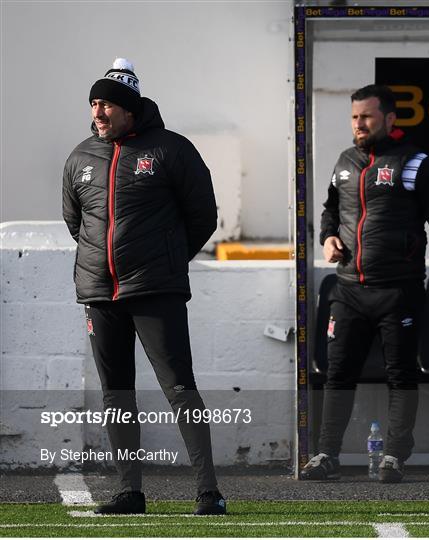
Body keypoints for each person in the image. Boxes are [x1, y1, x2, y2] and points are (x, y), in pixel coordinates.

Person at [62, 58, 226, 514]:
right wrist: (106, 266)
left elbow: (203, 217)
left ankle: (209, 492)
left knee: (180, 388)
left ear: (130, 110)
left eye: (107, 104)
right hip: (99, 293)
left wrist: (166, 260)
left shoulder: (172, 150)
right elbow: (77, 223)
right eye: (94, 104)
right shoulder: (80, 157)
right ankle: (129, 491)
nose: (98, 112)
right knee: (116, 393)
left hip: (157, 290)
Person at [301, 84, 429, 483]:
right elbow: (330, 210)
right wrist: (328, 238)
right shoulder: (343, 162)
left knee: (401, 376)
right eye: (355, 117)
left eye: (367, 116)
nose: (359, 124)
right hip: (348, 290)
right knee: (337, 375)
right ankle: (326, 454)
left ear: (390, 119)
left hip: (398, 291)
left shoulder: (415, 163)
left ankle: (393, 456)